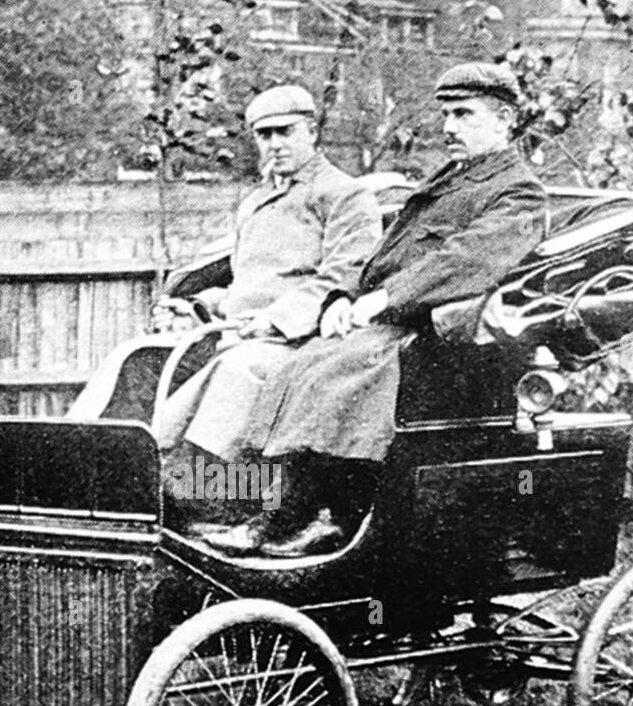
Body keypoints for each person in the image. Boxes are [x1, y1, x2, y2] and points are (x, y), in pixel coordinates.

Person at [203, 62, 549, 558]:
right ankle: (277, 514)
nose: (449, 126)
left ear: (504, 120)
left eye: (464, 114)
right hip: (392, 325)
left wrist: (384, 300)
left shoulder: (518, 191)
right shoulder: (453, 180)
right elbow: (383, 255)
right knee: (299, 365)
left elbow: (466, 259)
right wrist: (344, 298)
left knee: (342, 372)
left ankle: (329, 521)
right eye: (447, 114)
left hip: (439, 336)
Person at [68, 85, 382, 480]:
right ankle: (83, 467)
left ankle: (191, 490)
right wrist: (199, 306)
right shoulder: (256, 202)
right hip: (237, 332)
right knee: (138, 357)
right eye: (264, 136)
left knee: (237, 370)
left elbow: (343, 278)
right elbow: (250, 281)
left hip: (299, 342)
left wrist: (275, 319)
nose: (275, 145)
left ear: (313, 132)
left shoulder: (345, 196)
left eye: (286, 132)